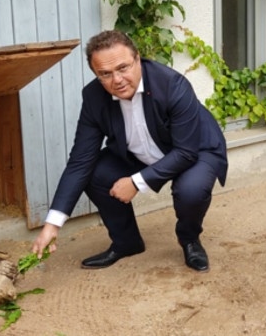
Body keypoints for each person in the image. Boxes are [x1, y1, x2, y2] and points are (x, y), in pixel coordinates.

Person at [31, 30, 228, 272]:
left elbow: (185, 152)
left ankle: (189, 239)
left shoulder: (172, 85)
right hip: (139, 152)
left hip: (193, 149)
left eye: (123, 67)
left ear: (138, 59)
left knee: (191, 190)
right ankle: (127, 243)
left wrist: (136, 182)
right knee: (94, 172)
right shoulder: (93, 97)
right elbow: (80, 162)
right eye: (105, 74)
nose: (117, 80)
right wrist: (53, 224)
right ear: (96, 74)